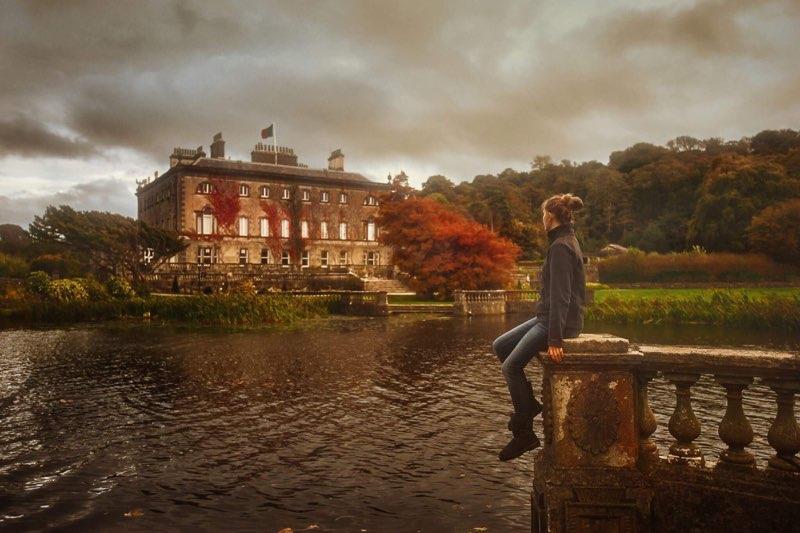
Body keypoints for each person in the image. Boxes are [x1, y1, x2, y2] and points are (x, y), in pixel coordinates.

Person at [492, 193, 586, 461]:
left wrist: (555, 340)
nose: (541, 219)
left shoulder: (561, 246)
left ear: (550, 216)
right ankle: (530, 404)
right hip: (546, 316)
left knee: (510, 366)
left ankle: (524, 433)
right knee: (500, 345)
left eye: (542, 214)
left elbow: (562, 297)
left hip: (558, 323)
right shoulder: (564, 241)